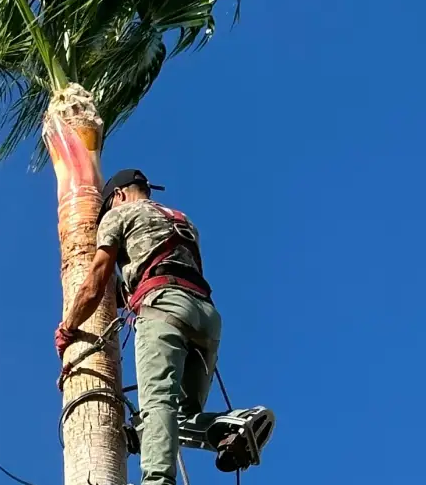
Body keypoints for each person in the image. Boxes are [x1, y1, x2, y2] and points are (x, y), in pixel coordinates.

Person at [55, 169, 269, 485]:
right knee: (177, 418)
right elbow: (167, 264)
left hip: (164, 309)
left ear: (118, 195)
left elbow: (97, 278)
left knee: (157, 405)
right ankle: (233, 426)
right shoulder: (182, 221)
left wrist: (69, 327)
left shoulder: (120, 215)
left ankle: (157, 481)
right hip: (204, 316)